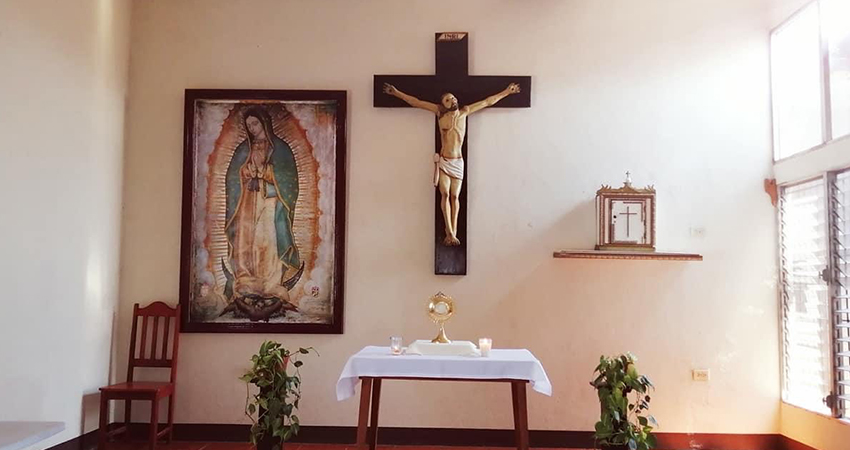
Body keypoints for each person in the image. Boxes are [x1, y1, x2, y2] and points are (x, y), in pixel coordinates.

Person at [383, 82, 521, 245]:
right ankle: (449, 231)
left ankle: (453, 233)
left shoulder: (465, 112)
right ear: (443, 104)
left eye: (453, 97)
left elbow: (487, 102)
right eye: (448, 100)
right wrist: (397, 93)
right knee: (446, 194)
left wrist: (506, 92)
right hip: (444, 161)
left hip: (458, 162)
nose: (452, 100)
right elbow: (416, 102)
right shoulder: (439, 114)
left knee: (455, 196)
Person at [224, 106, 300, 306]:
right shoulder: (244, 149)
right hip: (247, 200)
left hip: (270, 202)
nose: (252, 128)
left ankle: (270, 282)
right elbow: (232, 176)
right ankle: (246, 280)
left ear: (265, 123)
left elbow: (290, 180)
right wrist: (245, 172)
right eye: (248, 125)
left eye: (255, 123)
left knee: (268, 239)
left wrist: (267, 172)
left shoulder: (281, 149)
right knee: (246, 239)